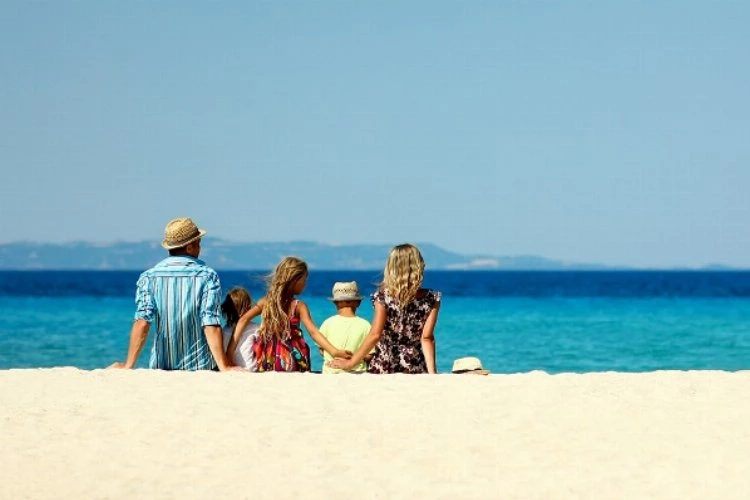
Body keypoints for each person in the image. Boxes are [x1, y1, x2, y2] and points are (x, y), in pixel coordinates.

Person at [109, 217, 237, 371]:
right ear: (189, 247)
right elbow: (210, 322)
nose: (200, 248)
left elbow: (142, 322)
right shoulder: (207, 276)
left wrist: (128, 365)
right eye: (198, 243)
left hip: (161, 366)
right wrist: (224, 366)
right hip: (201, 366)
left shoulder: (149, 277)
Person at [330, 243, 441, 374]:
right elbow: (427, 338)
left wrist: (351, 363)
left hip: (385, 364)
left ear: (392, 268)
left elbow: (375, 335)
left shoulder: (383, 297)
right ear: (418, 266)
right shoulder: (432, 298)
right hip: (415, 365)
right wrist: (432, 373)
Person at [227, 256, 351, 372]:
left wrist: (229, 354)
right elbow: (313, 332)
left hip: (267, 359)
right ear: (294, 279)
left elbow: (243, 320)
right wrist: (333, 351)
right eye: (304, 279)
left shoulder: (266, 302)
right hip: (292, 358)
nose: (305, 284)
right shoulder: (299, 306)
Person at [319, 281, 373, 374]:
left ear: (335, 303)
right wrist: (354, 358)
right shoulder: (366, 325)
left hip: (330, 372)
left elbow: (321, 350)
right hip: (357, 373)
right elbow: (369, 356)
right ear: (358, 303)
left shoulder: (327, 323)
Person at [221, 287, 260, 371]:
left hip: (232, 367)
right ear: (248, 308)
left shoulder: (224, 330)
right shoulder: (255, 328)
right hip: (250, 369)